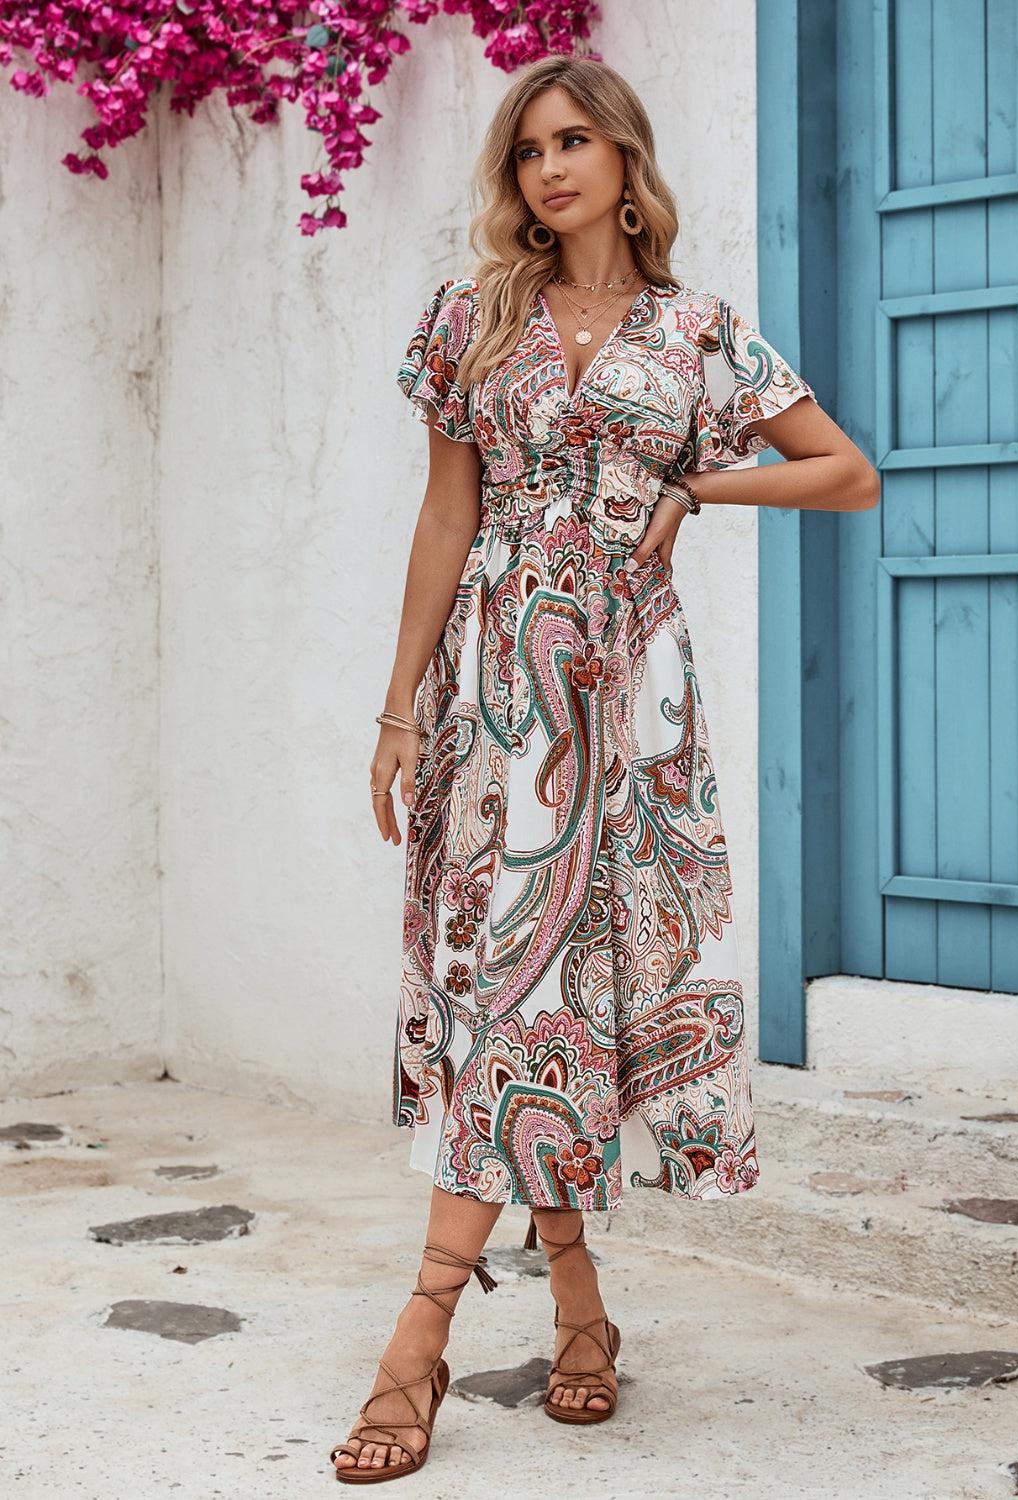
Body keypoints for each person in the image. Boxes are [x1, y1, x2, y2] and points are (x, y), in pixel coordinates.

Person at [329, 52, 879, 1485]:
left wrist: (699, 484)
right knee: (504, 986)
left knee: (568, 992)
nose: (550, 168)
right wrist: (398, 711)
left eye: (574, 141)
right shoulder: (471, 318)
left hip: (630, 697)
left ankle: (456, 1330)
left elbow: (844, 470)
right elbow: (445, 522)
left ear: (626, 162)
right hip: (499, 693)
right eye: (527, 151)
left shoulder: (698, 331)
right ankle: (519, 1317)